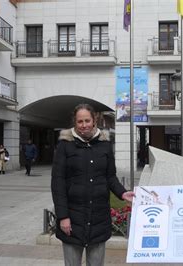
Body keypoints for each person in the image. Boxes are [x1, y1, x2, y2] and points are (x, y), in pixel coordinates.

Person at [51, 103, 135, 266]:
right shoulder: (64, 146)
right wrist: (63, 216)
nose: (84, 125)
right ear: (75, 123)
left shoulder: (104, 145)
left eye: (87, 121)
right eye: (80, 121)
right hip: (72, 219)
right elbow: (57, 183)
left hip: (99, 218)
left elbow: (110, 177)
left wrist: (122, 193)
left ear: (94, 121)